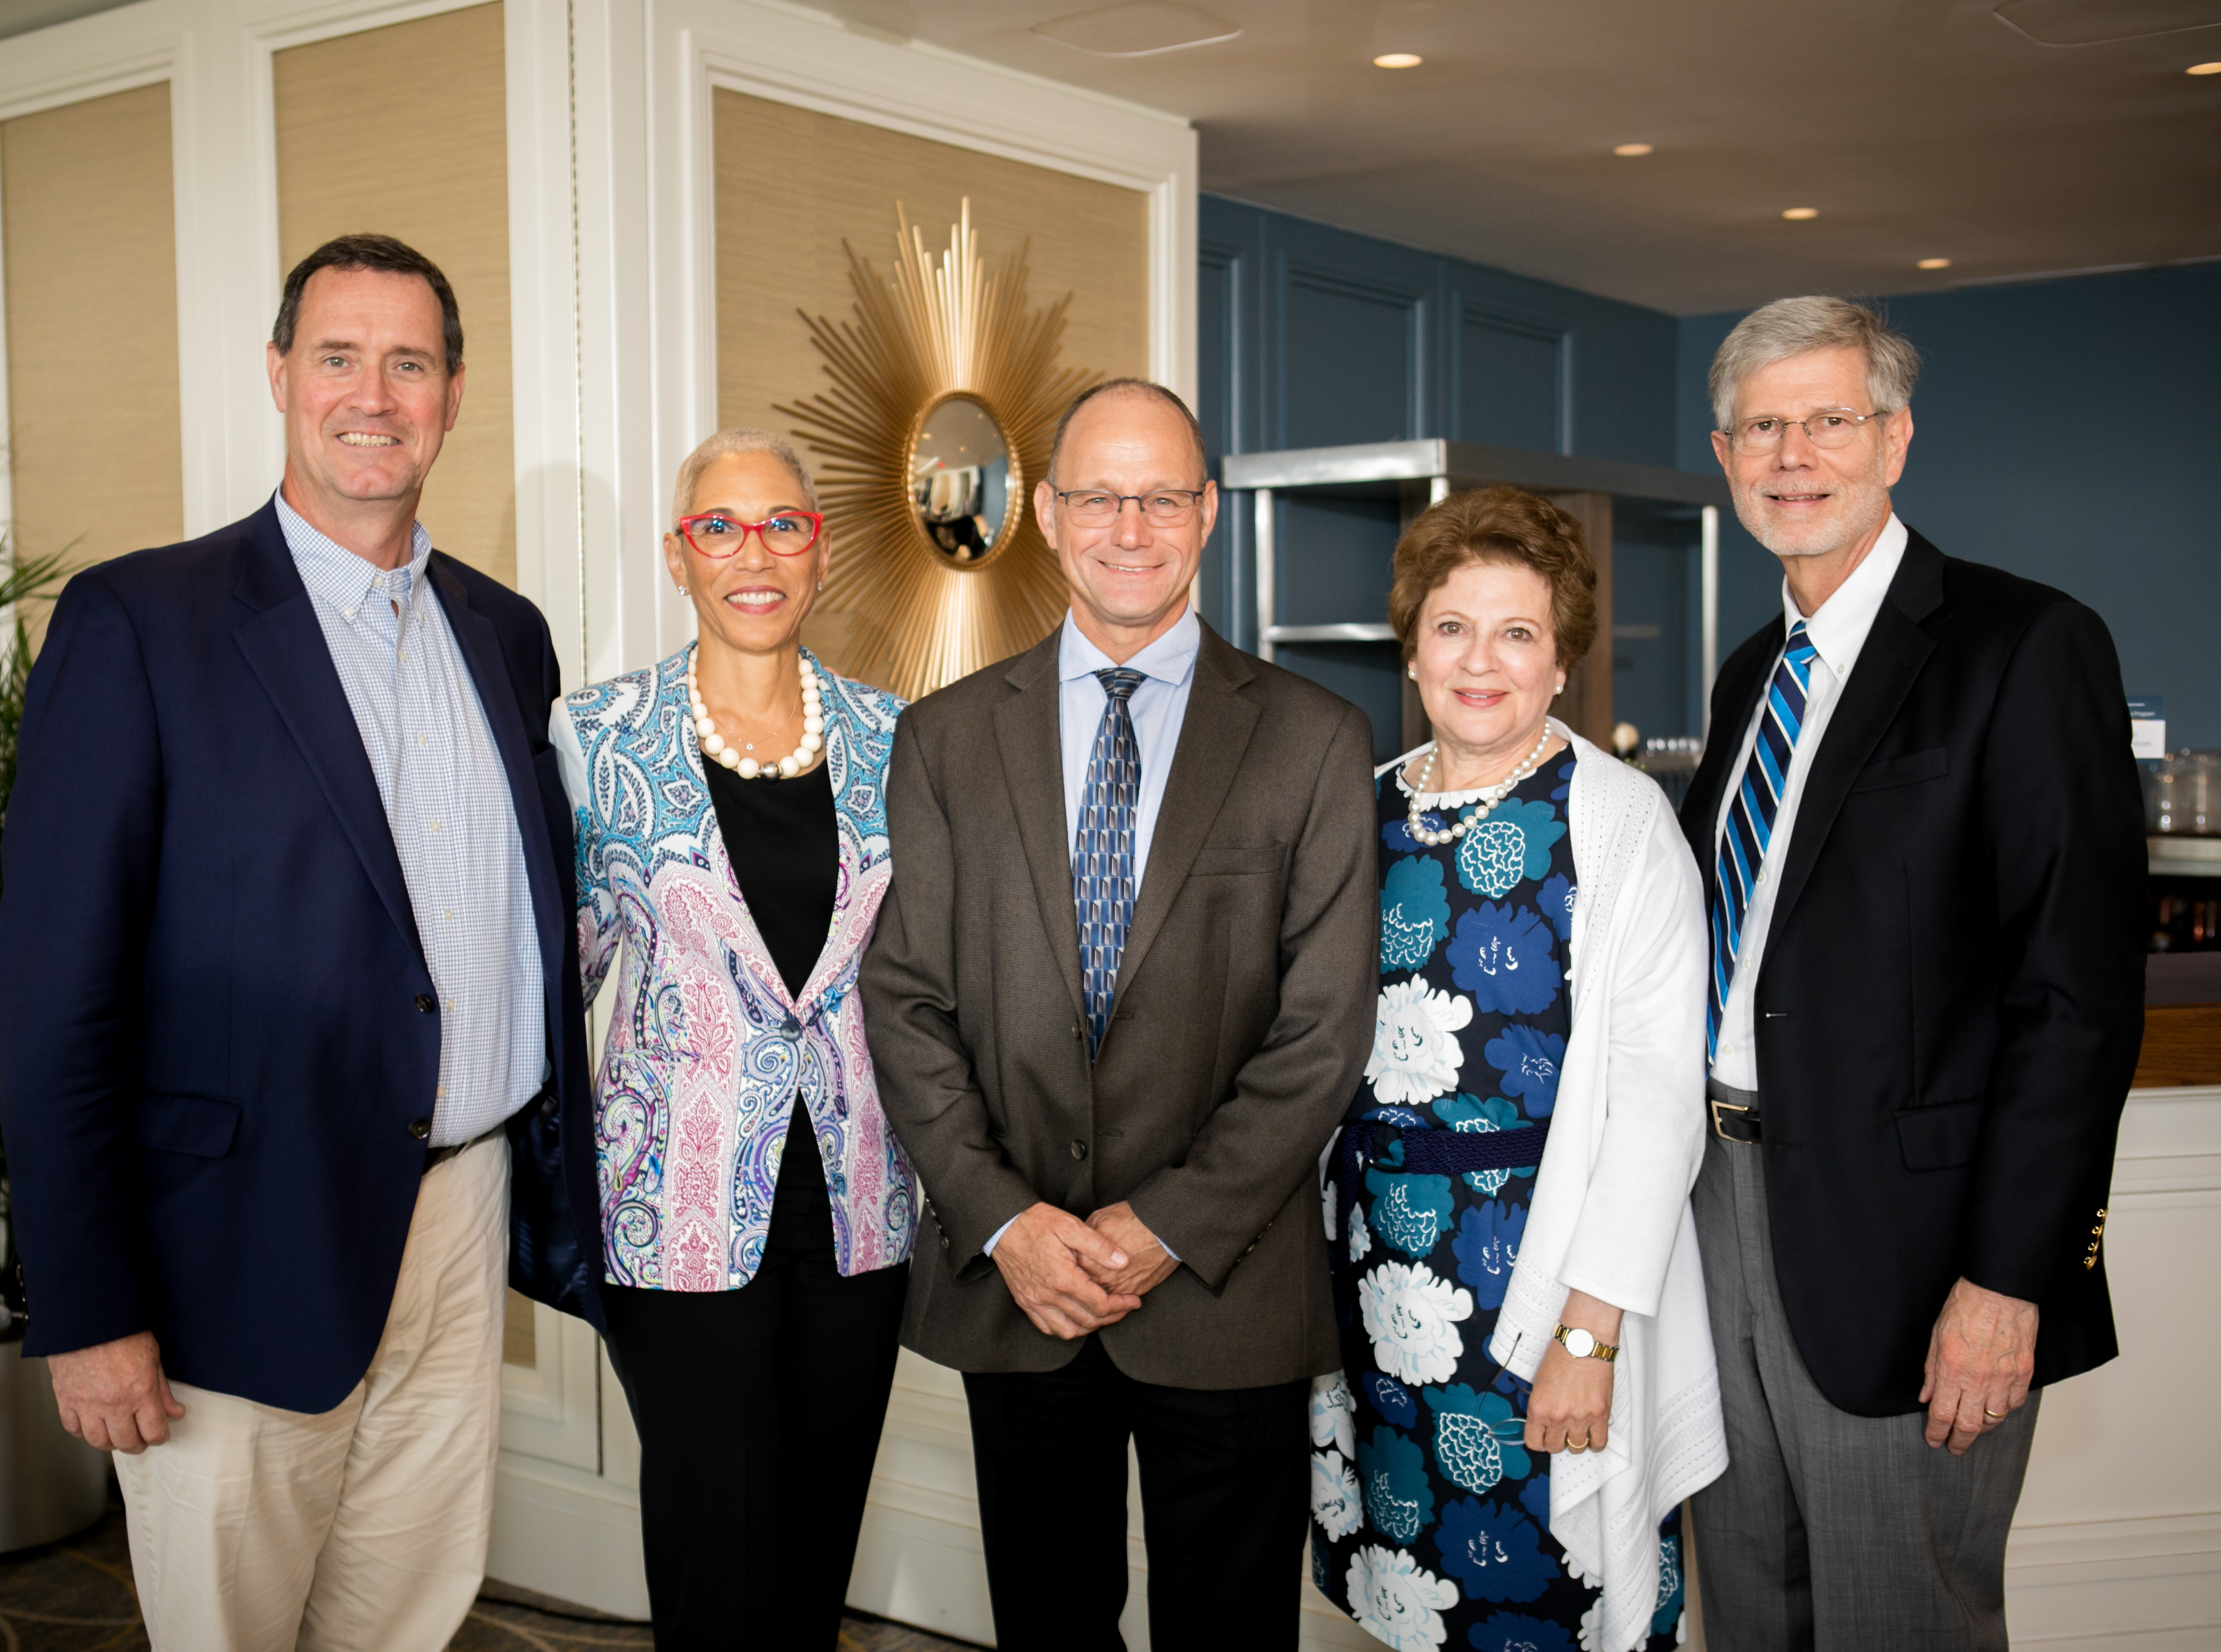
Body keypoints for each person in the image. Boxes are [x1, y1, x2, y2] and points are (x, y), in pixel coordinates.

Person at [0, 233, 600, 1650]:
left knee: (406, 1614)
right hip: (236, 1245)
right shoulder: (142, 623)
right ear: (280, 378)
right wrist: (86, 1310)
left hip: (459, 1216)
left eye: (410, 362)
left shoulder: (505, 634)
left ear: (454, 394)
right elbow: (54, 998)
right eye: (338, 357)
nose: (372, 393)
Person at [862, 379, 1378, 1650]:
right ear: (1047, 512)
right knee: (1048, 1628)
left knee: (1232, 1634)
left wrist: (1167, 1227)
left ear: (1207, 513)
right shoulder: (944, 739)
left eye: (1161, 496)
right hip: (1022, 1289)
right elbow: (908, 999)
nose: (1129, 525)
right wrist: (1007, 1223)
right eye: (1100, 495)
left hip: (1226, 1285)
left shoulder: (1313, 739)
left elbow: (1321, 1032)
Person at [1681, 296, 2145, 1650]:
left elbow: (2075, 999)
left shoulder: (2023, 645)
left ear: (1895, 439)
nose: (1793, 453)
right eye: (1762, 426)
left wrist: (2013, 1279)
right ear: (1724, 455)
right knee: (1752, 1611)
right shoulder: (1746, 677)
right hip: (1714, 1206)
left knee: (1903, 1621)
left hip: (1914, 1248)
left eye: (1828, 419)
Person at [1307, 485, 1724, 1652]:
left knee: (1544, 1589)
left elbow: (1652, 1101)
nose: (1479, 661)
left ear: (1561, 660)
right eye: (1452, 627)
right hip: (1377, 1282)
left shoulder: (1621, 823)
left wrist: (1587, 1340)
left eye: (1517, 633)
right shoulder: (1363, 808)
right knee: (1414, 1597)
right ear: (1413, 645)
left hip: (1539, 1285)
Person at [551, 429, 912, 1650]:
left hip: (861, 1215)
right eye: (719, 526)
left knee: (817, 1554)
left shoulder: (897, 740)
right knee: (718, 1558)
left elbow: (923, 983)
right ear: (677, 555)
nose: (751, 552)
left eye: (783, 526)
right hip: (679, 1213)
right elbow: (558, 986)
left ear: (822, 554)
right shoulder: (596, 740)